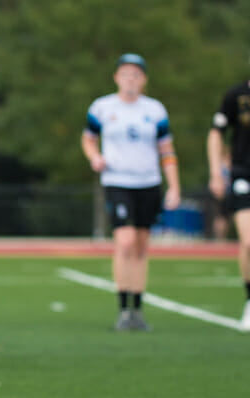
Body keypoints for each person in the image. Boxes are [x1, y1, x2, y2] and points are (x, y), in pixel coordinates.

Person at [81, 53, 180, 331]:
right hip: (117, 180)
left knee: (140, 246)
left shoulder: (155, 110)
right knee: (124, 242)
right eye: (125, 74)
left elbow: (167, 150)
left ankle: (138, 308)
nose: (131, 79)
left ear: (144, 79)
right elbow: (88, 138)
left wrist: (174, 185)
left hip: (148, 182)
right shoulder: (102, 107)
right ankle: (123, 308)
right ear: (116, 77)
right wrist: (94, 156)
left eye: (136, 74)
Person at [208, 78, 250, 330]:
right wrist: (216, 173)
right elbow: (216, 134)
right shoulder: (236, 95)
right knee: (248, 241)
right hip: (244, 175)